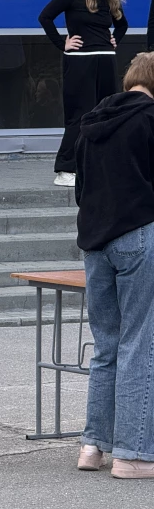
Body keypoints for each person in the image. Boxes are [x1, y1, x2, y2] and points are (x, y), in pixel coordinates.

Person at [74, 52, 154, 479]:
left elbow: (79, 187)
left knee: (107, 345)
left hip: (95, 240)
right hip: (138, 233)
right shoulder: (149, 119)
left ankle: (93, 446)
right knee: (141, 343)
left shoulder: (92, 122)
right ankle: (133, 454)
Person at [38, 0, 126, 188]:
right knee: (79, 115)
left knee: (107, 114)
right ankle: (65, 169)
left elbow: (122, 25)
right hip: (79, 63)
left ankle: (101, 166)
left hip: (106, 63)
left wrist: (114, 40)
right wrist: (62, 43)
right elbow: (45, 17)